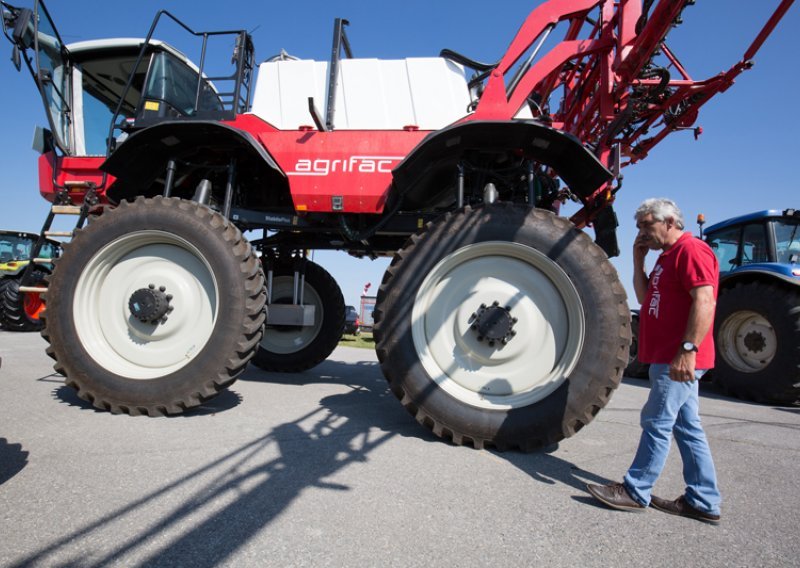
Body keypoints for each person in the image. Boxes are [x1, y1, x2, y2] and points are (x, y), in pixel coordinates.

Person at [586, 198, 722, 524]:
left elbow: (705, 300)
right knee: (687, 428)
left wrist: (687, 350)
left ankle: (636, 490)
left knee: (657, 420)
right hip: (668, 355)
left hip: (678, 356)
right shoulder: (665, 257)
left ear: (671, 222)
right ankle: (703, 500)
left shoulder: (691, 251)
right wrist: (637, 261)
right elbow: (646, 299)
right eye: (639, 227)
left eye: (648, 225)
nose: (642, 232)